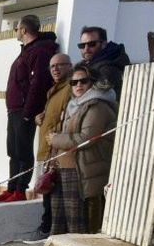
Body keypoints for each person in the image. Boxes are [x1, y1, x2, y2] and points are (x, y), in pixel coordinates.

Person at [0, 14, 58, 203]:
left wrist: (29, 113)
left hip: (24, 110)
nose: (16, 32)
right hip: (14, 109)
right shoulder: (26, 51)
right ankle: (11, 187)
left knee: (23, 151)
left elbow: (37, 83)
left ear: (23, 30)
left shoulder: (40, 51)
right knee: (13, 150)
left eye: (17, 29)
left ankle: (20, 189)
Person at [47, 63, 117, 235]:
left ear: (92, 83)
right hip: (65, 168)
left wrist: (56, 139)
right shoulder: (75, 105)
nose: (78, 85)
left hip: (82, 171)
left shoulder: (97, 106)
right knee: (59, 220)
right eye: (74, 82)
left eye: (83, 81)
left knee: (77, 224)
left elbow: (86, 139)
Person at [30, 52, 74, 240]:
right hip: (46, 149)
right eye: (52, 66)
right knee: (47, 190)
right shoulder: (54, 89)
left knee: (52, 193)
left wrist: (54, 133)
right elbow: (54, 115)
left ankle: (48, 229)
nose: (55, 69)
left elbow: (67, 118)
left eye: (60, 65)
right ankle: (47, 227)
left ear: (70, 66)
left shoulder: (71, 88)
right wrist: (41, 117)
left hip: (56, 150)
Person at [78, 26, 129, 97]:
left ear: (104, 44)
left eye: (92, 44)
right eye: (82, 45)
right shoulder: (89, 63)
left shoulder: (108, 69)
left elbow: (97, 98)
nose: (86, 49)